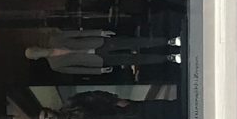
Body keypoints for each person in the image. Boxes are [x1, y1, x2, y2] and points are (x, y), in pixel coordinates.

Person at [25, 30, 182, 74]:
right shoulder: (55, 65)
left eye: (35, 50)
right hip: (98, 60)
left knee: (133, 42)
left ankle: (169, 41)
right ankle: (168, 57)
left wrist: (99, 32)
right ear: (37, 59)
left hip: (98, 43)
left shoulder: (55, 39)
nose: (38, 52)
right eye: (35, 54)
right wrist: (98, 71)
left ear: (37, 46)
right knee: (132, 59)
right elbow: (78, 70)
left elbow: (78, 33)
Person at [36, 90, 181, 119]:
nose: (49, 118)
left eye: (47, 115)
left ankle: (184, 107)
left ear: (50, 110)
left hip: (123, 113)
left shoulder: (70, 104)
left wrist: (116, 100)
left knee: (160, 109)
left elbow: (94, 96)